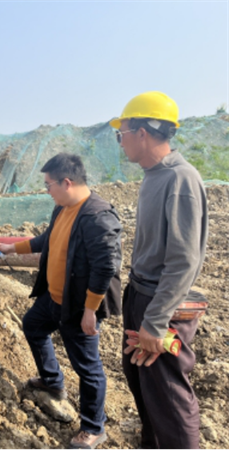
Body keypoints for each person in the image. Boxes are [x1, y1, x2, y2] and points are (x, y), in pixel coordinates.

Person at [0, 153, 122, 450]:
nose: (47, 191)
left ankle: (93, 427)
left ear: (67, 182)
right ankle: (52, 381)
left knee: (88, 368)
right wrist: (10, 248)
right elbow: (45, 241)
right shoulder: (62, 208)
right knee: (33, 325)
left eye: (48, 185)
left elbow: (106, 267)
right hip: (54, 297)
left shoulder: (97, 216)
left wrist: (90, 310)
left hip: (78, 306)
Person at [110, 91, 208, 449]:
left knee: (168, 395)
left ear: (142, 133)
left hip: (159, 303)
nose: (120, 142)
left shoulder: (180, 180)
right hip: (141, 295)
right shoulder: (154, 175)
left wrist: (155, 321)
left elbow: (183, 260)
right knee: (143, 383)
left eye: (121, 133)